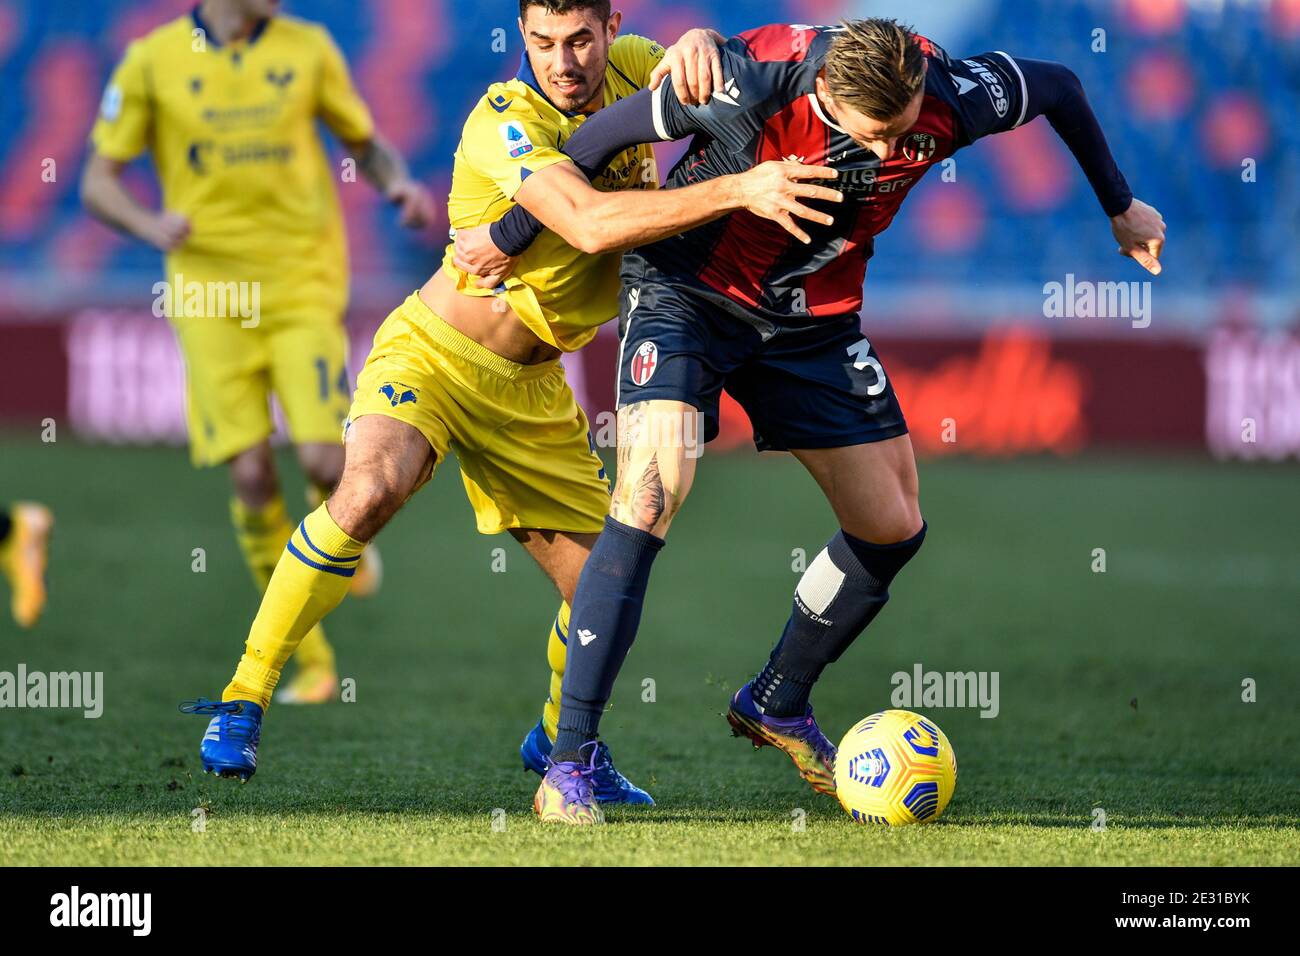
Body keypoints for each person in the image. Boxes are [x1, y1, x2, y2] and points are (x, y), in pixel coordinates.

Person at [459, 17, 1166, 824]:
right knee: (651, 492)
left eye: (902, 134)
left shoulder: (948, 96)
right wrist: (512, 234)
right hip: (687, 295)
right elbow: (593, 140)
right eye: (870, 137)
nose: (887, 154)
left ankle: (776, 700)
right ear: (827, 94)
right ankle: (570, 760)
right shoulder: (744, 81)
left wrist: (1121, 206)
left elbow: (1062, 88)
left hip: (811, 318)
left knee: (892, 524)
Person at [180, 1, 835, 813]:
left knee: (603, 585)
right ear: (522, 39)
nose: (563, 61)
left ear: (609, 27)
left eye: (580, 40)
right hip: (435, 356)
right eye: (542, 43)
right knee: (369, 489)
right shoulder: (504, 120)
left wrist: (703, 43)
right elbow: (593, 226)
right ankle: (244, 697)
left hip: (533, 391)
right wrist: (744, 189)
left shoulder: (636, 61)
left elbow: (717, 69)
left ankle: (562, 745)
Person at [81, 0, 435, 703]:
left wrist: (396, 184)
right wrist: (149, 225)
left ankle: (343, 523)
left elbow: (362, 141)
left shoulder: (308, 49)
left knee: (324, 459)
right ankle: (312, 661)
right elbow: (95, 181)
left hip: (301, 280)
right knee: (249, 476)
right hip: (210, 295)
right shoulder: (152, 60)